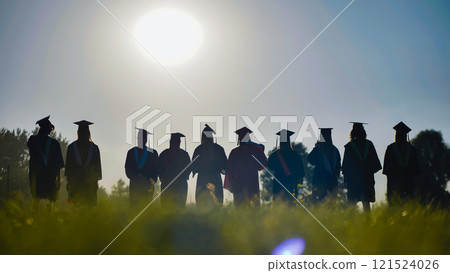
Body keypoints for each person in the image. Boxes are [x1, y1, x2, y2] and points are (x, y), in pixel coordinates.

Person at [342, 122, 381, 212]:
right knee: (366, 203)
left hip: (353, 179)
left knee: (352, 203)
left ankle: (352, 223)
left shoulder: (349, 146)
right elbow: (376, 164)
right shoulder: (369, 144)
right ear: (363, 132)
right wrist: (368, 170)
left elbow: (345, 165)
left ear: (352, 132)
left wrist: (345, 179)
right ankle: (368, 223)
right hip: (366, 178)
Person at [27, 116, 64, 211]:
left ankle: (34, 222)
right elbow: (58, 165)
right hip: (50, 177)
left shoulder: (32, 140)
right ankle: (48, 223)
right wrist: (59, 180)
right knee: (49, 204)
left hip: (36, 176)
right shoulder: (55, 144)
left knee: (36, 201)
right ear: (49, 129)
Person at [225, 127, 267, 207]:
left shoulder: (234, 152)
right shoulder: (255, 150)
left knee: (240, 209)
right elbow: (263, 164)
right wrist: (262, 150)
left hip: (238, 184)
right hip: (252, 183)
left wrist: (232, 184)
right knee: (253, 208)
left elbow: (229, 170)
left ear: (239, 139)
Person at [65, 120, 102, 207]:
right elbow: (97, 170)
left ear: (77, 133)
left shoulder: (71, 148)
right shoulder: (95, 148)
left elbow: (68, 169)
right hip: (89, 184)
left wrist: (69, 182)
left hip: (76, 183)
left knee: (76, 209)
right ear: (89, 133)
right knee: (89, 211)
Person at [383, 122, 420, 206]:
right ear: (405, 136)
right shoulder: (412, 149)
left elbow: (387, 170)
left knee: (395, 204)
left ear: (396, 135)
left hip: (394, 182)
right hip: (409, 182)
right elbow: (416, 170)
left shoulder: (391, 148)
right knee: (409, 203)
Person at [191, 124, 227, 208]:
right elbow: (225, 166)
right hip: (214, 179)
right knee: (214, 204)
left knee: (204, 205)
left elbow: (193, 166)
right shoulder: (219, 149)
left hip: (203, 179)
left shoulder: (199, 149)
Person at [267, 129, 305, 203]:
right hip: (291, 183)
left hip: (279, 183)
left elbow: (270, 166)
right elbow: (301, 171)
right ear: (289, 142)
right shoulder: (295, 155)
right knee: (291, 206)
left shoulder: (275, 155)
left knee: (278, 207)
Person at [125, 128, 159, 206]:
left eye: (144, 137)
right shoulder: (131, 152)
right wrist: (137, 177)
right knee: (134, 208)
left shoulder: (153, 153)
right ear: (137, 138)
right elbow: (128, 170)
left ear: (146, 139)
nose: (142, 139)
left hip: (148, 186)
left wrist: (151, 181)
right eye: (140, 137)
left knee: (147, 209)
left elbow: (156, 170)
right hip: (135, 186)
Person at [307, 128, 341, 202]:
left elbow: (310, 159)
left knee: (320, 202)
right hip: (330, 180)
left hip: (320, 179)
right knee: (330, 203)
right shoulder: (335, 149)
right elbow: (338, 165)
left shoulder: (319, 149)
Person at [158, 132, 191, 208]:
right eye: (174, 142)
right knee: (167, 208)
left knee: (178, 208)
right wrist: (163, 178)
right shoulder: (164, 154)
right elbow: (159, 168)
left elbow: (188, 169)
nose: (175, 143)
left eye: (177, 142)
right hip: (168, 183)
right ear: (170, 142)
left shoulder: (184, 155)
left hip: (179, 184)